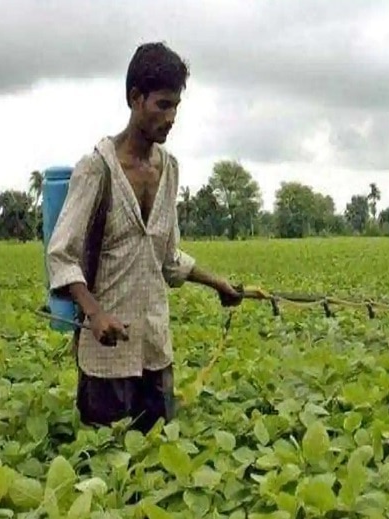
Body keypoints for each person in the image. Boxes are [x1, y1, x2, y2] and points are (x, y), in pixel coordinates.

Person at [46, 42, 243, 433]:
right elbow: (61, 256)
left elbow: (168, 258)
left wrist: (217, 283)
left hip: (155, 350)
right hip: (106, 360)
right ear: (135, 98)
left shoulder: (169, 170)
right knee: (106, 471)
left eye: (176, 107)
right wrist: (95, 311)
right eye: (162, 105)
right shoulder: (96, 169)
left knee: (157, 468)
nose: (171, 118)